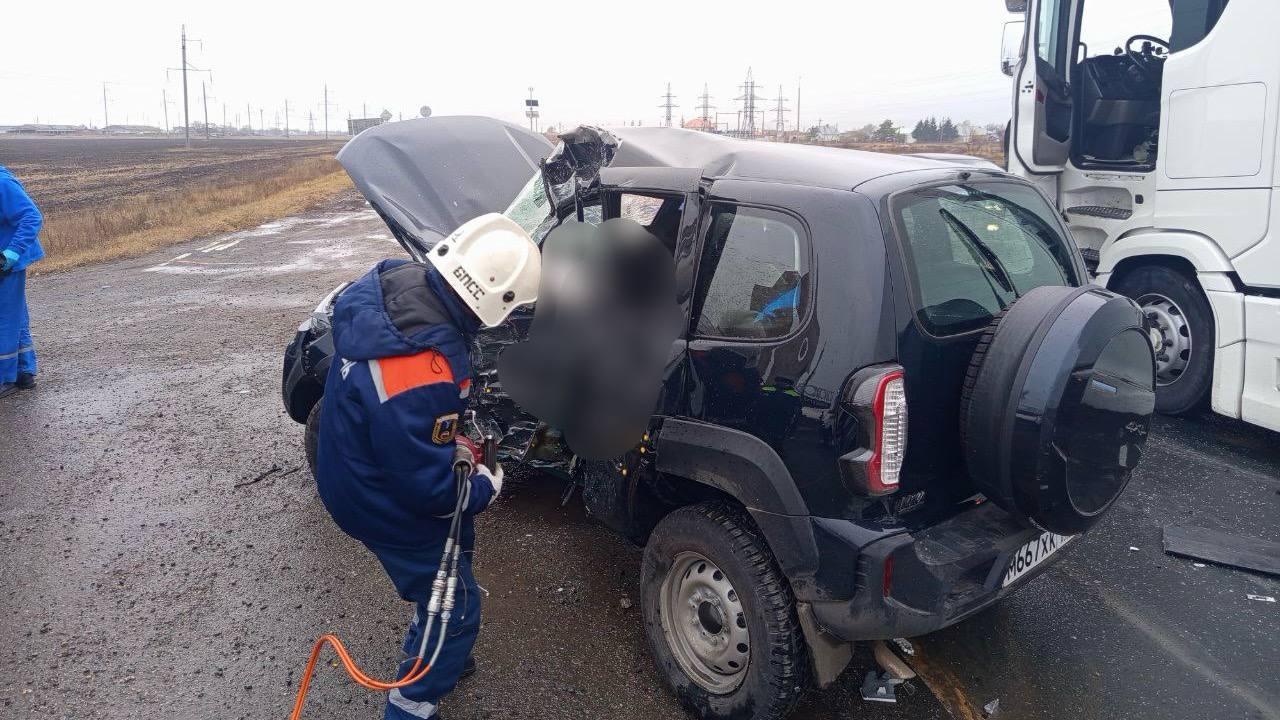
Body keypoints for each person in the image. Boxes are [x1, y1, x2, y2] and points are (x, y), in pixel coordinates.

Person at [314, 213, 541, 720]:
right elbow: (430, 490)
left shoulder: (393, 285)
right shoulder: (423, 367)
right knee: (458, 607)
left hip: (349, 465)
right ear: (495, 301)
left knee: (449, 557)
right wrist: (484, 487)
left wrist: (448, 436)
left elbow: (401, 427)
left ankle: (441, 653)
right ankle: (410, 701)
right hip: (375, 498)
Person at [0, 165, 44, 399]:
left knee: (4, 317)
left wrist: (12, 253)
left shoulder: (2, 184)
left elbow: (32, 217)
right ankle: (23, 371)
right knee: (14, 313)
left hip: (7, 259)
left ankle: (4, 378)